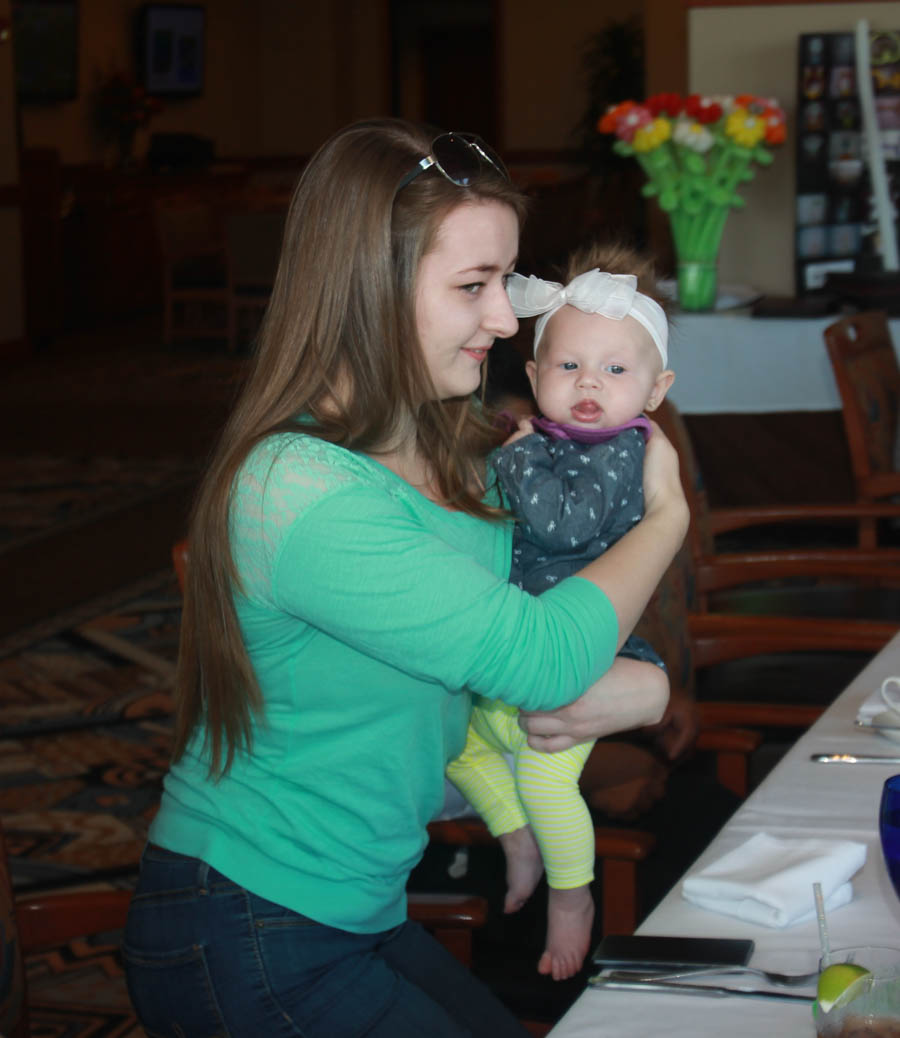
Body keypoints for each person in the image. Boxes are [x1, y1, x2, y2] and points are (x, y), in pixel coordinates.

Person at [122, 119, 688, 1038]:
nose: (507, 320)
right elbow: (543, 661)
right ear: (368, 291)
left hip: (358, 905)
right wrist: (669, 517)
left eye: (506, 282)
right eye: (474, 286)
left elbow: (544, 622)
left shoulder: (443, 435)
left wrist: (648, 684)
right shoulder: (298, 493)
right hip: (249, 922)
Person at [446, 242, 676, 982]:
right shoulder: (555, 439)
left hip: (592, 647)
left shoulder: (617, 449)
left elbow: (566, 528)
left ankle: (572, 896)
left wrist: (513, 458)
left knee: (547, 775)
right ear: (535, 374)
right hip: (522, 646)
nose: (589, 385)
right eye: (569, 366)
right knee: (469, 749)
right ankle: (516, 839)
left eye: (615, 371)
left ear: (654, 389)